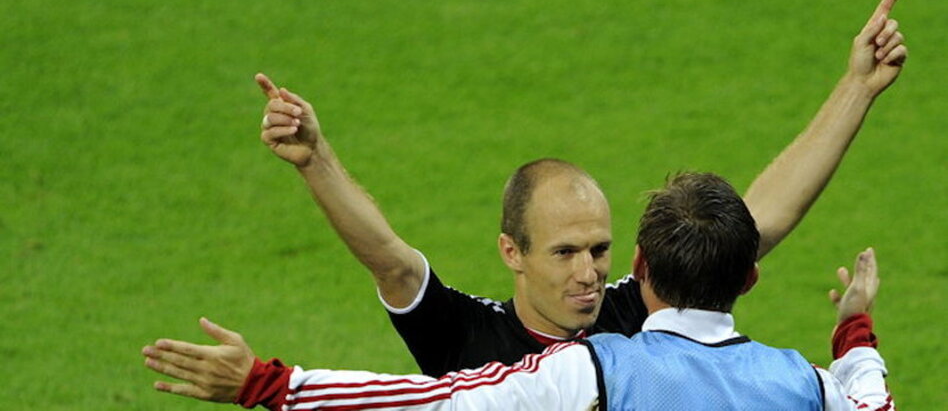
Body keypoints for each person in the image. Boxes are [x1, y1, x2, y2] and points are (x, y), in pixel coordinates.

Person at [142, 0, 907, 396]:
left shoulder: (633, 312)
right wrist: (315, 159)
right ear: (512, 251)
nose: (588, 271)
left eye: (600, 249)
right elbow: (391, 259)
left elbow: (754, 220)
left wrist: (857, 89)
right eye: (566, 251)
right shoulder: (464, 335)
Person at [143, 173, 892, 410]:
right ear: (749, 277)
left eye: (599, 252)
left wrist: (270, 383)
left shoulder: (592, 368)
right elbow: (872, 403)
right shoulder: (806, 385)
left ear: (638, 265)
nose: (587, 272)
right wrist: (854, 335)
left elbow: (425, 403)